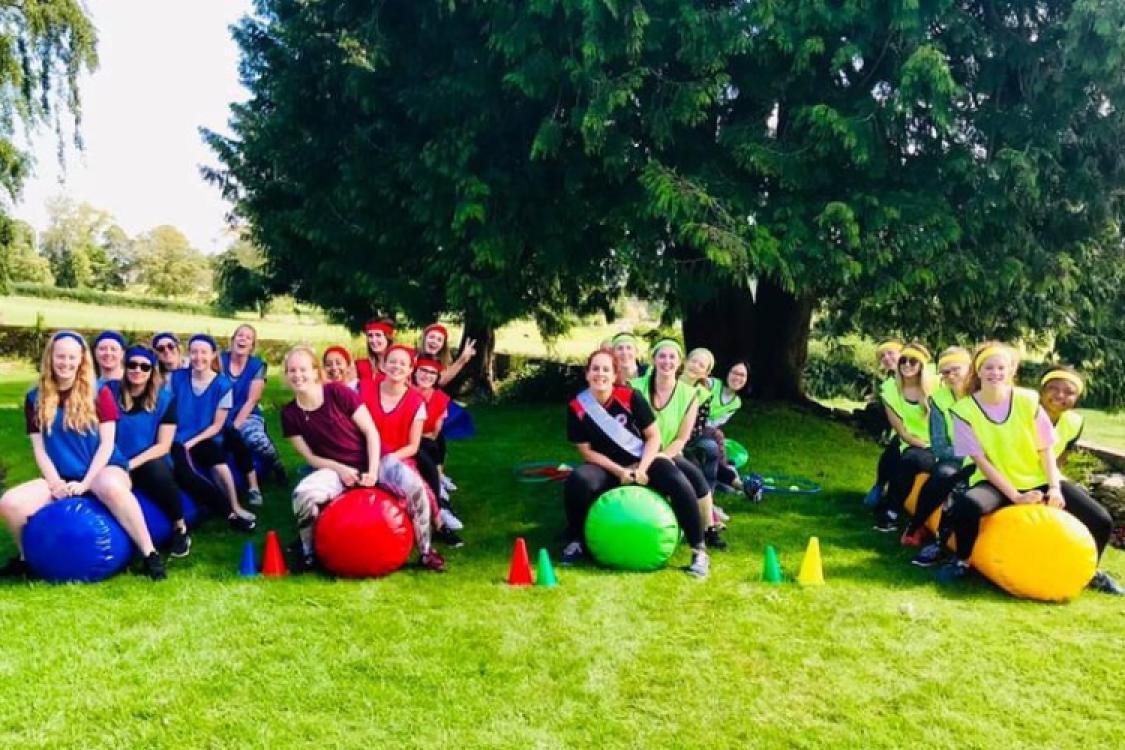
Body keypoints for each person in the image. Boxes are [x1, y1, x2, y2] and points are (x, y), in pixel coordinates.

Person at [936, 343, 1122, 594]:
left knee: (1101, 520)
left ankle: (1090, 573)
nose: (995, 373)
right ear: (978, 372)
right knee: (968, 506)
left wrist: (1055, 488)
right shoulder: (963, 411)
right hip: (996, 479)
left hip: (1038, 477)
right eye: (989, 367)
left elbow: (1046, 448)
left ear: (1011, 371)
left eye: (1001, 367)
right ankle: (962, 560)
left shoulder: (1027, 400)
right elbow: (982, 461)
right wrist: (1015, 496)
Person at [0, 331, 165, 580]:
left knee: (109, 486)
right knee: (9, 503)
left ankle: (149, 553)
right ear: (50, 358)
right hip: (61, 474)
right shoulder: (35, 397)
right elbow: (40, 449)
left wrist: (86, 483)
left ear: (81, 360)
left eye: (71, 357)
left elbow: (107, 444)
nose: (65, 363)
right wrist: (55, 484)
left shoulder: (100, 393)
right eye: (60, 357)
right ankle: (28, 559)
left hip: (104, 467)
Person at [280, 345, 445, 572]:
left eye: (303, 369)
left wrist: (374, 470)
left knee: (416, 488)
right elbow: (311, 457)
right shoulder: (288, 414)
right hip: (335, 468)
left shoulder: (337, 392)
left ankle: (426, 552)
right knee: (303, 495)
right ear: (286, 375)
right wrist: (340, 469)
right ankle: (309, 554)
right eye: (292, 371)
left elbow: (371, 433)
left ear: (316, 371)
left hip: (376, 458)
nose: (298, 375)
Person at [562, 349, 711, 577]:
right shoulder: (577, 407)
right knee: (578, 481)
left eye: (606, 370)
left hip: (643, 459)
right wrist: (620, 470)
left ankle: (698, 550)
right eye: (595, 369)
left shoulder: (631, 397)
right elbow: (586, 452)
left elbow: (654, 437)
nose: (600, 374)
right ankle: (577, 541)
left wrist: (641, 468)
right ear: (587, 373)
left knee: (676, 479)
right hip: (607, 466)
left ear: (614, 375)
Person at [358, 344, 461, 547]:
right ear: (383, 365)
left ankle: (439, 525)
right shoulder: (364, 389)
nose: (397, 366)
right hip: (363, 454)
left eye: (402, 363)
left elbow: (413, 446)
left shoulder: (416, 401)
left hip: (399, 455)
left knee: (420, 486)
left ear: (410, 369)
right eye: (392, 361)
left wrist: (387, 460)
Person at [631, 339, 726, 550]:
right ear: (653, 359)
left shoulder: (690, 395)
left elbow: (682, 438)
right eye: (662, 356)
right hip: (637, 451)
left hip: (668, 452)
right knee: (677, 479)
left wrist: (663, 456)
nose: (667, 361)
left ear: (679, 362)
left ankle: (709, 529)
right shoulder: (635, 387)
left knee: (697, 480)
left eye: (672, 357)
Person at [109, 345, 191, 558]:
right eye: (132, 365)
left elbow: (163, 446)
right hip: (112, 459)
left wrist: (130, 465)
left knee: (156, 471)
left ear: (152, 371)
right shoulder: (109, 392)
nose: (138, 370)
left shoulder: (164, 400)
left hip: (147, 459)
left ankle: (179, 527)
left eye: (144, 367)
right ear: (125, 367)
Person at [169, 334, 257, 532]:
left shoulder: (223, 385)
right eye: (194, 352)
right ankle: (225, 509)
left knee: (218, 462)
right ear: (188, 354)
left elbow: (217, 426)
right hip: (177, 436)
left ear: (213, 355)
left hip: (205, 435)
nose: (198, 357)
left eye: (203, 352)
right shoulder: (177, 378)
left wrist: (191, 443)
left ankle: (235, 505)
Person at [907, 347, 974, 560]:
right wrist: (968, 456)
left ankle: (950, 545)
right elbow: (938, 445)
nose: (950, 376)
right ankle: (917, 525)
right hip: (953, 458)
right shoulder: (938, 400)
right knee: (944, 476)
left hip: (986, 462)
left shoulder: (983, 395)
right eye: (945, 372)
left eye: (956, 369)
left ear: (969, 369)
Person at [873, 342, 936, 532]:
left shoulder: (936, 386)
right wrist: (924, 446)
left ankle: (896, 508)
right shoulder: (890, 391)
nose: (907, 364)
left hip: (940, 444)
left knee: (907, 459)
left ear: (922, 366)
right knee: (907, 457)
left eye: (913, 361)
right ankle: (891, 510)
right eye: (903, 361)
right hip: (913, 443)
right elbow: (902, 432)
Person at [220, 323, 285, 501]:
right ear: (232, 340)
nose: (243, 339)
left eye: (248, 337)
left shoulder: (257, 366)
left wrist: (235, 427)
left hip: (247, 414)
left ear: (252, 346)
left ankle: (276, 464)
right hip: (220, 414)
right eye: (239, 335)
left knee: (256, 440)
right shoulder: (218, 360)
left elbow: (252, 400)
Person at [412, 357, 463, 531]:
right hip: (401, 442)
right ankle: (439, 504)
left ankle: (440, 506)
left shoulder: (441, 399)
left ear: (437, 377)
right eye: (423, 370)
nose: (427, 375)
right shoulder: (404, 392)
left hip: (423, 442)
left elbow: (433, 434)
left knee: (430, 446)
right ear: (415, 372)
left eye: (432, 372)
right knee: (423, 453)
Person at [863, 338, 905, 506]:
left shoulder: (922, 378)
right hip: (901, 431)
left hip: (922, 433)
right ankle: (879, 487)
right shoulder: (888, 385)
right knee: (892, 451)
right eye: (882, 356)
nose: (887, 358)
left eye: (890, 353)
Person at [1039, 366, 1086, 465]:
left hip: (1041, 477)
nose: (1060, 395)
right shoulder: (1022, 412)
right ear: (1042, 391)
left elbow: (1060, 459)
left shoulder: (1074, 423)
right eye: (1053, 388)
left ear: (1077, 398)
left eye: (1069, 392)